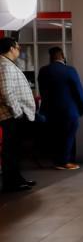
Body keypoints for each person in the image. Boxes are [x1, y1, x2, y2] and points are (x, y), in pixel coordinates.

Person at [38, 47, 83, 170]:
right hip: (68, 110)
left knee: (56, 136)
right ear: (62, 56)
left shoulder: (43, 70)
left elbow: (42, 91)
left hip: (50, 110)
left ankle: (57, 160)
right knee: (68, 135)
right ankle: (64, 162)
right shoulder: (69, 70)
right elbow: (78, 90)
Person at [0, 37, 37, 192]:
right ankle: (12, 182)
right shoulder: (4, 65)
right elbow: (6, 92)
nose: (19, 50)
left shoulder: (7, 64)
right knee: (11, 150)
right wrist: (18, 113)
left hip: (14, 115)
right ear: (11, 48)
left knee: (15, 150)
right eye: (18, 47)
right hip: (11, 116)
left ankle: (17, 179)